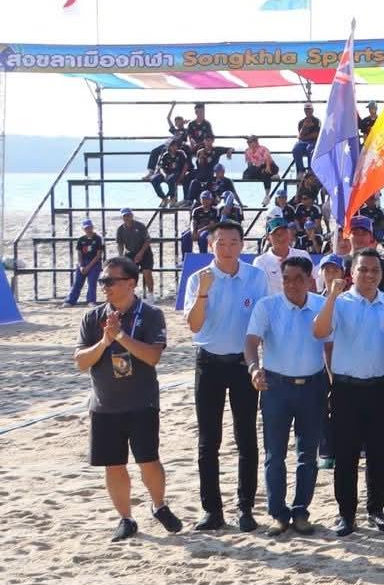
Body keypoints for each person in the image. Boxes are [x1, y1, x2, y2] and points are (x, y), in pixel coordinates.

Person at [76, 257, 183, 541]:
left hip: (141, 402)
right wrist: (105, 341)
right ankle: (126, 518)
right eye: (103, 281)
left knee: (148, 460)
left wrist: (120, 336)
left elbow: (153, 356)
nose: (105, 286)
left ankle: (159, 506)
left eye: (111, 280)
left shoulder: (150, 314)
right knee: (113, 464)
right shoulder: (93, 317)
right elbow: (81, 361)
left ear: (131, 283)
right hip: (104, 404)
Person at [182, 220, 268, 531]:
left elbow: (262, 322)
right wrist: (203, 293)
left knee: (246, 438)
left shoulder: (256, 277)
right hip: (209, 363)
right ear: (210, 245)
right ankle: (212, 510)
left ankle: (245, 508)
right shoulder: (198, 278)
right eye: (221, 243)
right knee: (209, 440)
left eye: (233, 242)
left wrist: (260, 364)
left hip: (243, 364)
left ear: (242, 245)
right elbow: (194, 325)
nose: (227, 249)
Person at [312, 250, 384, 536]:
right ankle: (346, 513)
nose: (369, 275)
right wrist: (331, 296)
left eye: (375, 270)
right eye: (363, 269)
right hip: (346, 388)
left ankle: (377, 509)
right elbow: (320, 332)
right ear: (352, 273)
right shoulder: (339, 303)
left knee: (379, 453)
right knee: (346, 454)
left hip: (381, 387)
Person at [244, 255, 326, 535]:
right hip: (276, 387)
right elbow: (251, 341)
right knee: (274, 454)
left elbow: (330, 345)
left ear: (309, 280)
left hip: (313, 386)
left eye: (298, 278)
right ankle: (278, 513)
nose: (292, 284)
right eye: (286, 278)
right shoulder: (267, 306)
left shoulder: (322, 305)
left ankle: (301, 511)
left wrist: (332, 382)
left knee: (308, 455)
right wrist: (254, 368)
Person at [67, 220, 105, 306]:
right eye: (86, 228)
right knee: (77, 282)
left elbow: (98, 255)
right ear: (83, 229)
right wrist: (81, 266)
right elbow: (79, 254)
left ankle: (91, 301)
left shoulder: (98, 238)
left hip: (94, 263)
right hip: (83, 262)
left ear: (92, 227)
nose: (88, 229)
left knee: (92, 283)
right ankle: (70, 301)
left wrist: (89, 266)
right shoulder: (81, 239)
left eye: (89, 227)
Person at [287, 103, 321, 179]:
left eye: (309, 109)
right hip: (303, 142)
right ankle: (301, 171)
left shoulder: (317, 121)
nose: (307, 111)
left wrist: (304, 137)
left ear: (312, 110)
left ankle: (311, 170)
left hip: (314, 142)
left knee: (310, 149)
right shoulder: (301, 122)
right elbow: (300, 135)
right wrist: (305, 126)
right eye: (306, 109)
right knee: (296, 149)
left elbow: (317, 134)